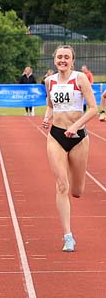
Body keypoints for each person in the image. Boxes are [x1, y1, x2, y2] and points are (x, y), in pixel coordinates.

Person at [42, 45, 97, 253]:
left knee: (77, 191)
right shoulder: (50, 81)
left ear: (72, 60)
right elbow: (50, 104)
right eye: (59, 57)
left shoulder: (80, 78)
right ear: (54, 60)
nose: (62, 60)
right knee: (61, 185)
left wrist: (75, 126)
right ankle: (68, 235)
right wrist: (47, 118)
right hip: (56, 136)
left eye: (66, 57)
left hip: (78, 138)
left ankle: (76, 189)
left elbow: (92, 108)